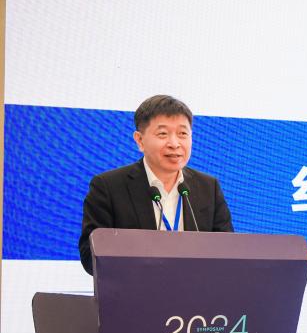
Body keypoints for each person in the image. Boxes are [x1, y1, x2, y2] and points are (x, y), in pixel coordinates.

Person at [78, 95, 233, 274]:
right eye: (163, 134)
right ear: (140, 140)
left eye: (182, 134)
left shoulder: (208, 187)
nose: (174, 144)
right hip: (136, 288)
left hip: (196, 288)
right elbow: (90, 256)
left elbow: (228, 251)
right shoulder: (108, 187)